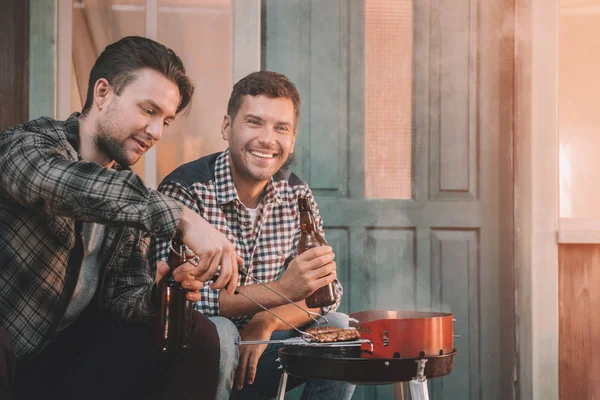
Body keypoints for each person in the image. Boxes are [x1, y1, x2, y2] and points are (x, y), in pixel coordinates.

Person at [0, 36, 239, 400]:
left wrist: (162, 293)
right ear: (102, 93)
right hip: (9, 347)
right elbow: (50, 182)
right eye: (147, 110)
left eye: (166, 120)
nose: (156, 132)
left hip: (60, 361)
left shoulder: (130, 199)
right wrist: (183, 218)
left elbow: (122, 299)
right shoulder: (27, 144)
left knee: (199, 335)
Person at [153, 71, 355, 399]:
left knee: (339, 326)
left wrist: (266, 321)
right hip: (197, 363)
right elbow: (183, 303)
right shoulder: (186, 191)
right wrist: (280, 290)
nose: (267, 139)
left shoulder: (296, 194)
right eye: (254, 122)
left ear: (293, 138)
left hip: (262, 351)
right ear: (226, 127)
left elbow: (325, 294)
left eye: (281, 128)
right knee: (221, 331)